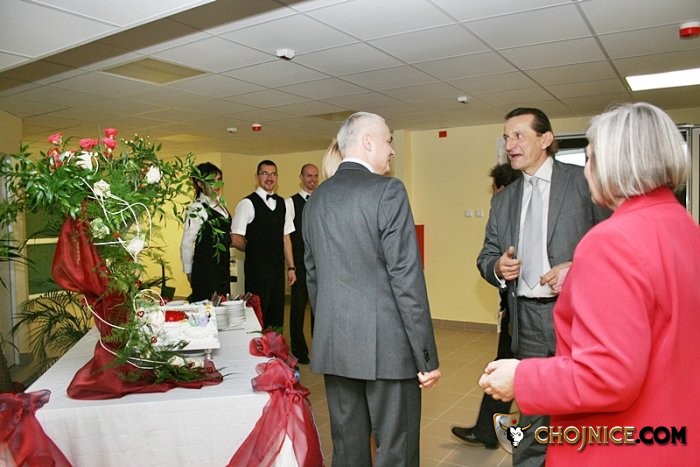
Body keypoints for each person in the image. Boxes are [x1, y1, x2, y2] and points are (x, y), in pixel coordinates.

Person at [479, 102, 700, 465]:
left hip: (618, 441)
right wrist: (497, 267)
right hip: (671, 428)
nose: (587, 169)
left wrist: (521, 379)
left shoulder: (610, 238)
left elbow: (606, 375)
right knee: (533, 429)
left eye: (591, 158)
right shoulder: (682, 225)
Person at [303, 112, 441, 466]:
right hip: (388, 350)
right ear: (367, 142)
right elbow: (406, 278)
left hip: (336, 346)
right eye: (388, 140)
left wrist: (330, 331)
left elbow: (313, 278)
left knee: (348, 450)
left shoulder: (314, 200)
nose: (392, 150)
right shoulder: (388, 191)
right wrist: (426, 356)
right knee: (396, 450)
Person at [476, 107, 609, 466]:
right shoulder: (503, 200)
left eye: (519, 135)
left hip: (579, 317)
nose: (510, 144)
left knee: (584, 410)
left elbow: (613, 241)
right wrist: (497, 267)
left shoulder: (584, 182)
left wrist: (577, 267)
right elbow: (486, 255)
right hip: (528, 320)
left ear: (546, 139)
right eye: (506, 137)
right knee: (535, 412)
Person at [451, 162, 521, 449]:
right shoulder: (508, 213)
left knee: (506, 370)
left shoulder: (510, 211)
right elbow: (490, 259)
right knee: (506, 369)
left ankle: (491, 432)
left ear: (501, 189)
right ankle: (488, 431)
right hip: (514, 310)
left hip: (525, 315)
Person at [231, 160, 296, 328]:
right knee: (257, 315)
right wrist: (255, 249)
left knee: (277, 315)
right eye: (264, 173)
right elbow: (235, 237)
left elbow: (285, 237)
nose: (269, 178)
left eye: (273, 174)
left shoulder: (283, 204)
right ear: (257, 177)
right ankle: (256, 345)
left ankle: (275, 345)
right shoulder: (247, 204)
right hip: (256, 270)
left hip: (277, 270)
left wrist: (291, 267)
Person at [180, 162, 231, 302]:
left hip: (222, 269)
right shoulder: (197, 208)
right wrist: (189, 271)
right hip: (205, 270)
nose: (217, 185)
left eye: (219, 180)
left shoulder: (221, 204)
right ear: (200, 184)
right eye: (212, 181)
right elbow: (186, 243)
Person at [284, 163, 319, 365]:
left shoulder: (322, 200)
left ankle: (320, 348)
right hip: (299, 262)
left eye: (315, 176)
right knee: (298, 308)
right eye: (308, 176)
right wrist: (291, 266)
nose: (312, 180)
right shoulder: (290, 203)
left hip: (320, 264)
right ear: (301, 178)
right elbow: (286, 236)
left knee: (319, 309)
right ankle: (299, 350)